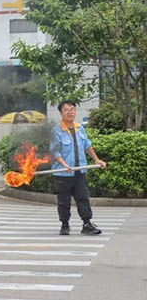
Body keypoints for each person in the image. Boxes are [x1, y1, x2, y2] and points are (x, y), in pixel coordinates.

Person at [49, 100, 107, 236]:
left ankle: (87, 224)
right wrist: (64, 165)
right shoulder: (56, 130)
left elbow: (87, 145)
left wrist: (97, 159)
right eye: (66, 110)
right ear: (61, 113)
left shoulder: (79, 128)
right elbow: (54, 151)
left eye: (72, 109)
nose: (70, 112)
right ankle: (65, 225)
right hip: (63, 173)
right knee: (64, 201)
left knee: (83, 198)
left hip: (79, 171)